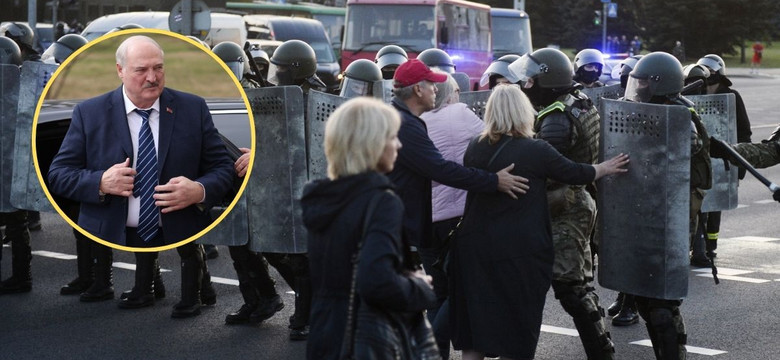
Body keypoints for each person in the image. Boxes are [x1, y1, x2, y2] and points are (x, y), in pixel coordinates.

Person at [48, 35, 234, 317]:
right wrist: (100, 182)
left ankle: (193, 295)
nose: (152, 77)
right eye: (141, 70)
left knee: (188, 252)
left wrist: (199, 190)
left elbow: (222, 168)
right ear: (120, 70)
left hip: (181, 225)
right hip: (111, 226)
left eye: (158, 68)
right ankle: (136, 286)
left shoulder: (192, 108)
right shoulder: (89, 113)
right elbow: (59, 174)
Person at [450, 84, 628, 360]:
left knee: (476, 323)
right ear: (523, 111)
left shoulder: (476, 147)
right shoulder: (536, 150)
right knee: (519, 324)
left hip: (476, 247)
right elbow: (575, 173)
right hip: (521, 250)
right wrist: (605, 168)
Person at [302, 96, 438, 359]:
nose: (398, 145)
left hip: (326, 333)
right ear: (372, 143)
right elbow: (376, 282)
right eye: (391, 137)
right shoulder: (381, 201)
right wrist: (420, 287)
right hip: (368, 339)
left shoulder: (321, 198)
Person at [508, 47, 616, 359]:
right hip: (574, 202)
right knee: (578, 286)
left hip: (564, 207)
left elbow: (543, 166)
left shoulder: (556, 119)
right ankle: (602, 349)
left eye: (530, 81)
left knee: (571, 290)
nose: (526, 86)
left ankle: (602, 352)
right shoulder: (575, 100)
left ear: (548, 80)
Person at [388, 59, 529, 262]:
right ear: (418, 89)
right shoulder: (405, 126)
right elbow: (440, 169)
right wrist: (494, 181)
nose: (436, 90)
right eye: (431, 84)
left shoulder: (400, 119)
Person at [623, 51, 712, 360]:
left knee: (662, 304)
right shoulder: (648, 109)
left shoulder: (680, 119)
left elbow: (674, 158)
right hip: (645, 210)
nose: (639, 88)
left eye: (645, 82)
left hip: (671, 214)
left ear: (659, 84)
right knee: (646, 299)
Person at [235, 39, 326, 339]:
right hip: (283, 180)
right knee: (275, 246)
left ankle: (307, 317)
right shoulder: (285, 95)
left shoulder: (315, 98)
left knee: (303, 257)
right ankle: (297, 308)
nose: (279, 73)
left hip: (309, 185)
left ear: (298, 70)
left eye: (284, 69)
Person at [212, 40, 285, 327]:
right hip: (230, 178)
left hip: (260, 178)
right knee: (238, 245)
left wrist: (257, 153)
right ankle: (257, 299)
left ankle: (308, 305)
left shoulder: (259, 95)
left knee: (272, 246)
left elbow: (282, 135)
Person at [419, 73, 484, 359]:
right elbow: (490, 143)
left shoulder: (419, 124)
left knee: (436, 293)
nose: (461, 95)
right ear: (448, 94)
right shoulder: (462, 114)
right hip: (458, 219)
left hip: (426, 219)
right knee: (461, 289)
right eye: (457, 90)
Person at [693, 54, 752, 268]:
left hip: (723, 159)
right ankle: (697, 248)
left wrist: (741, 160)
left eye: (712, 70)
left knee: (715, 204)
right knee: (697, 204)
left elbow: (743, 131)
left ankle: (711, 246)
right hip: (698, 158)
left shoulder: (731, 96)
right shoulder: (693, 93)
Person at [0, 31, 35, 295]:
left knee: (17, 224)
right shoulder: (23, 89)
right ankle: (22, 276)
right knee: (17, 224)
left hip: (12, 171)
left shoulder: (21, 92)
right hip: (14, 173)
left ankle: (22, 277)